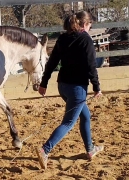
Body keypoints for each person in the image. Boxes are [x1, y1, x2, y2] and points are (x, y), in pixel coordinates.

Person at [35, 11, 103, 170]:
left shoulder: (63, 38)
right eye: (90, 25)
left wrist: (43, 83)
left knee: (85, 115)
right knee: (68, 122)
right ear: (85, 24)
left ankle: (90, 149)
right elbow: (91, 65)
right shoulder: (86, 39)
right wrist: (97, 87)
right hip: (77, 88)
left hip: (63, 86)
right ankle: (45, 149)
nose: (90, 28)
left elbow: (52, 62)